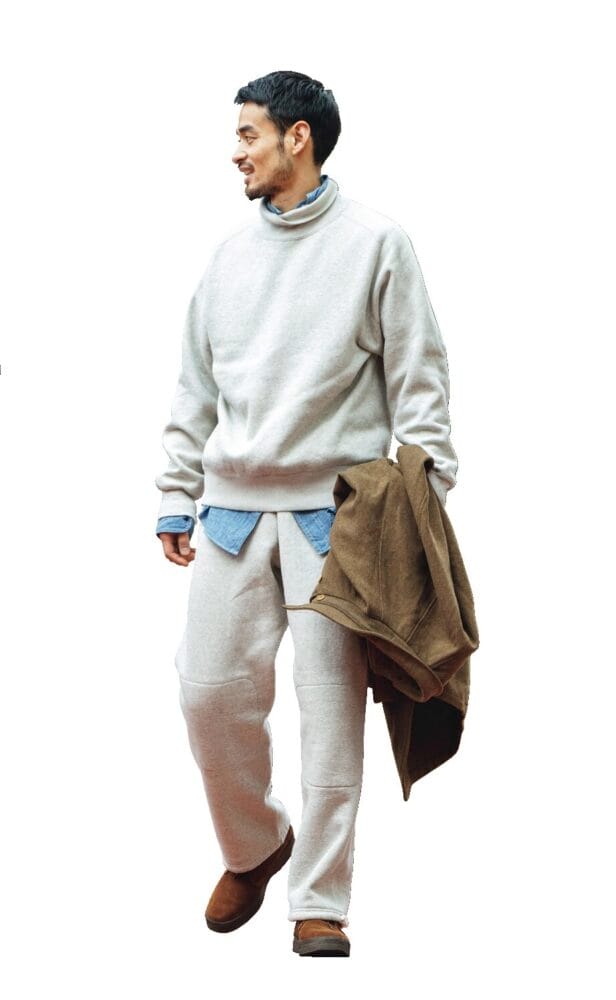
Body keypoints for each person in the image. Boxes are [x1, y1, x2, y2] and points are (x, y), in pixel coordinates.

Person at [155, 69, 458, 958]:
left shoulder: (377, 244)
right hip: (231, 514)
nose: (236, 151)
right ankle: (255, 845)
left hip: (339, 521)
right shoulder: (227, 258)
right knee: (208, 696)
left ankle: (319, 901)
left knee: (330, 718)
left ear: (299, 137)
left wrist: (423, 504)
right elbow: (195, 385)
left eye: (248, 133)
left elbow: (420, 378)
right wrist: (175, 491)